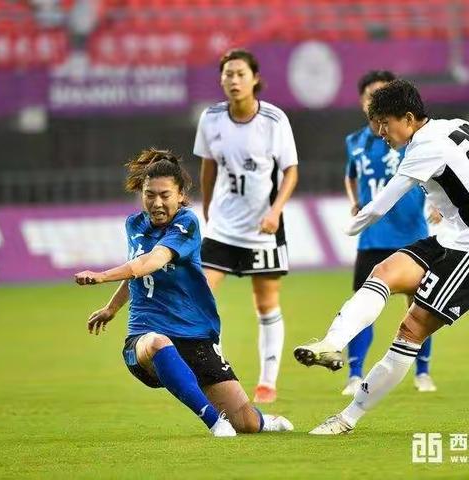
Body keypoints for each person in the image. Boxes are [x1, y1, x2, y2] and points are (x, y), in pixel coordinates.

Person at [75, 148, 293, 437]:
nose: (156, 202)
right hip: (145, 335)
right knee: (156, 342)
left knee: (247, 424)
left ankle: (263, 420)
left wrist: (101, 275)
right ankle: (214, 422)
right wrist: (112, 308)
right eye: (149, 194)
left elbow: (150, 262)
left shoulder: (187, 224)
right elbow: (137, 270)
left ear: (180, 195)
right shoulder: (134, 224)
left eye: (165, 195)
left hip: (195, 336)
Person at [294, 79, 469, 434]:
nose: (381, 132)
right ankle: (332, 343)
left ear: (407, 117)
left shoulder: (424, 147)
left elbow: (380, 206)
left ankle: (347, 418)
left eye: (385, 123)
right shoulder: (453, 126)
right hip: (448, 235)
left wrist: (350, 227)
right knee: (384, 270)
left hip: (466, 249)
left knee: (411, 329)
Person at [193, 49, 299, 403]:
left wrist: (276, 211)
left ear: (254, 78)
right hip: (223, 226)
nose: (233, 80)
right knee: (199, 296)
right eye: (227, 74)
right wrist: (207, 207)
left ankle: (267, 381)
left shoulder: (274, 119)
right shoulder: (210, 119)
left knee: (266, 303)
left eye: (239, 73)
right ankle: (217, 370)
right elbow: (208, 167)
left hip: (262, 229)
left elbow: (290, 171)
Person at [342, 70, 439, 396]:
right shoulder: (354, 141)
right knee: (362, 304)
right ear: (362, 101)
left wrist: (439, 203)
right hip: (373, 237)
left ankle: (422, 372)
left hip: (412, 231)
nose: (375, 100)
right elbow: (351, 175)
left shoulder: (409, 137)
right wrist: (355, 201)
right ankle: (354, 374)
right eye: (371, 95)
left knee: (420, 306)